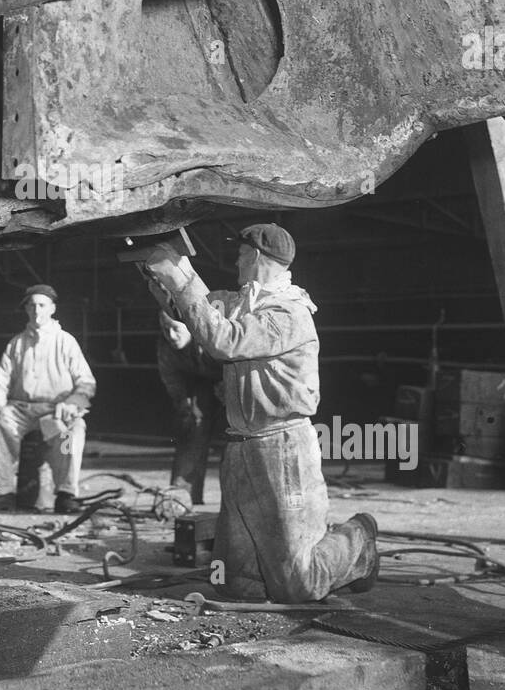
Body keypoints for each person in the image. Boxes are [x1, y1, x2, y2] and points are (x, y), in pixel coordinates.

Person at [142, 225, 379, 601]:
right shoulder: (244, 301)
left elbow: (224, 339)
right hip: (241, 446)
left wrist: (179, 278)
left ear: (255, 256)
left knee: (299, 585)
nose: (235, 260)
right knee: (234, 585)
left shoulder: (289, 313)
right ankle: (288, 566)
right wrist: (169, 281)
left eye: (239, 253)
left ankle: (359, 537)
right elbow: (202, 309)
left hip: (282, 447)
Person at [0, 284, 95, 514]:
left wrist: (73, 402)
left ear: (52, 308)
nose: (36, 310)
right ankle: (3, 493)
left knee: (71, 432)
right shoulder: (17, 343)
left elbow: (87, 382)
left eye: (42, 305)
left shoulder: (65, 341)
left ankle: (66, 493)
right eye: (31, 305)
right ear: (26, 310)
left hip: (54, 410)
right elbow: (1, 381)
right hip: (21, 410)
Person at [157, 307, 225, 510]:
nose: (170, 335)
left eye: (176, 329)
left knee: (238, 435)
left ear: (191, 328)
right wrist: (184, 403)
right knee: (192, 424)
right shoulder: (166, 346)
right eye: (166, 329)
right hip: (198, 382)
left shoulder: (211, 338)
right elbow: (172, 379)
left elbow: (235, 362)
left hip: (232, 378)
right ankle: (183, 495)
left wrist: (229, 390)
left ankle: (239, 498)